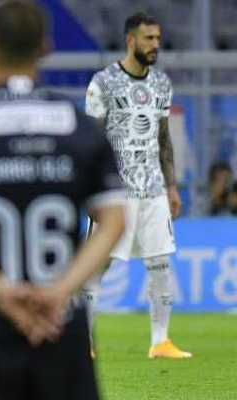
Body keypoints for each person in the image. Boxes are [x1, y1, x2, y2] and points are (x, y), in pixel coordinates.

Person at [0, 2, 129, 398]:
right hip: (61, 319)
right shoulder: (82, 127)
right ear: (46, 47)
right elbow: (114, 221)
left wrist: (1, 292)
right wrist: (60, 292)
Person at [83, 11, 192, 359]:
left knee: (160, 262)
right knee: (98, 265)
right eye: (149, 38)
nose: (155, 45)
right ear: (131, 40)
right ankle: (82, 341)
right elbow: (90, 142)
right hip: (115, 192)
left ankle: (160, 341)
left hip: (154, 190)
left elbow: (163, 140)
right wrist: (90, 189)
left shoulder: (161, 84)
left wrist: (171, 186)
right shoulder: (103, 83)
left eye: (158, 39)